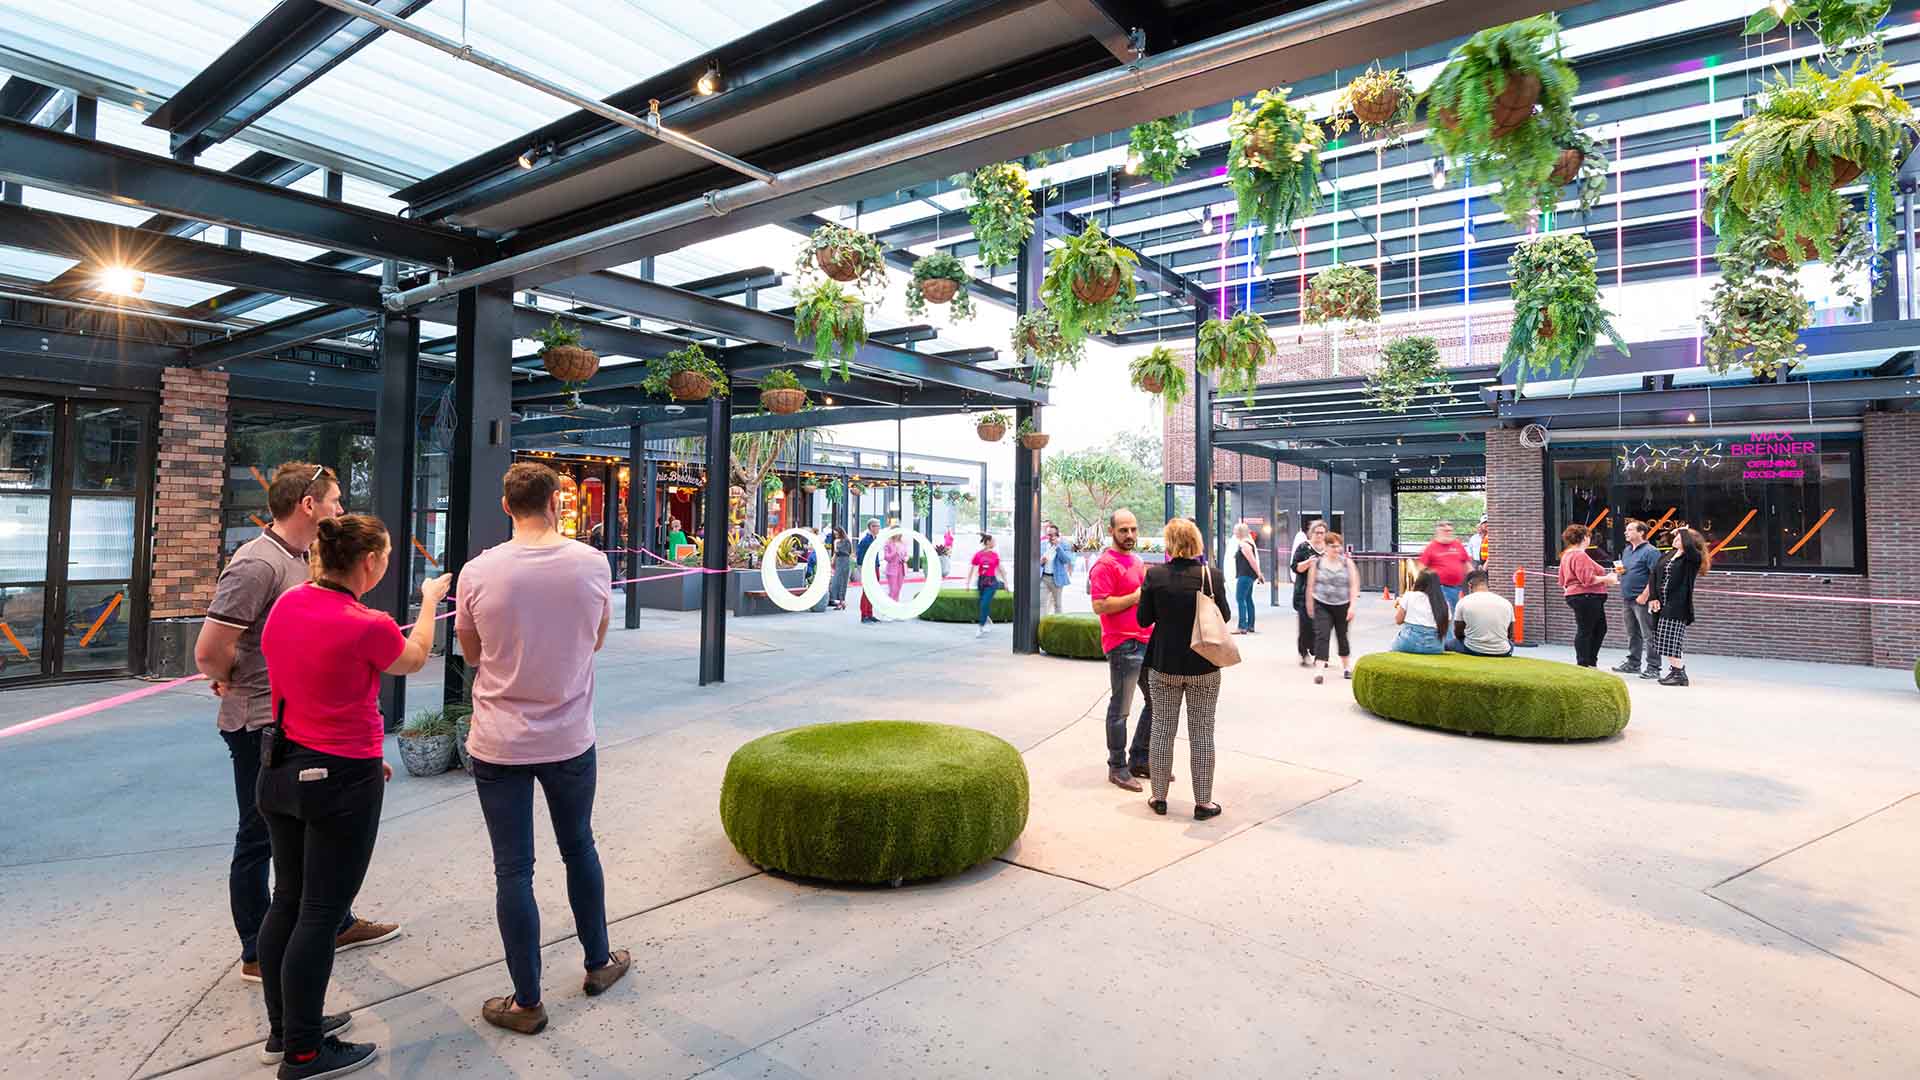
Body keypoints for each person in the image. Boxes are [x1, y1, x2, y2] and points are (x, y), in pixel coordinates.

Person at [256, 515, 450, 1077]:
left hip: (282, 769)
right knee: (320, 913)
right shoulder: (365, 623)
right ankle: (305, 1053)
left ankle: (286, 1029)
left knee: (288, 900)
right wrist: (430, 600)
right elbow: (412, 660)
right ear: (369, 563)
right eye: (385, 556)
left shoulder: (288, 605)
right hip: (341, 780)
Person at [195, 462, 399, 986]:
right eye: (335, 500)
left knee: (311, 838)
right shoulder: (256, 565)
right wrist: (230, 679)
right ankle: (256, 949)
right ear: (308, 505)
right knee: (259, 836)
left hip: (300, 722)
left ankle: (334, 922)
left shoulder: (305, 560)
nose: (340, 510)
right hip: (262, 722)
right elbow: (209, 650)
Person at [454, 464, 630, 1036]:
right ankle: (598, 962)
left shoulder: (478, 572)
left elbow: (473, 654)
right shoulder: (592, 563)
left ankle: (527, 1002)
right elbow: (597, 638)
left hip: (499, 742)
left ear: (507, 507)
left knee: (514, 870)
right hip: (569, 737)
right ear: (557, 501)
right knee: (579, 847)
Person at [1135, 518, 1230, 821]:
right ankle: (1203, 803)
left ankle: (1159, 798)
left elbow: (1143, 620)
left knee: (1162, 729)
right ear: (1197, 542)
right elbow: (1224, 617)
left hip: (1163, 664)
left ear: (1169, 543)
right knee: (1202, 732)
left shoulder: (1155, 576)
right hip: (1204, 664)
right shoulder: (1210, 576)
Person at [1088, 509, 1154, 791]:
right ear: (1112, 531)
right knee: (1121, 710)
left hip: (1147, 641)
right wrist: (1136, 596)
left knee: (1158, 703)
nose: (1129, 535)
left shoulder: (1137, 561)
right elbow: (1100, 605)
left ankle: (1139, 758)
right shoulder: (1104, 565)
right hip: (1122, 644)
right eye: (1124, 530)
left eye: (1133, 529)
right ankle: (1117, 767)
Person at [1646, 525, 1708, 686]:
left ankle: (1679, 673)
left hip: (1677, 605)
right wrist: (1653, 597)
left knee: (1670, 639)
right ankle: (1676, 670)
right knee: (1662, 638)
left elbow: (1689, 545)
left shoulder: (1692, 558)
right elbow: (1654, 575)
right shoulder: (1669, 555)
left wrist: (1683, 531)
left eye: (1679, 538)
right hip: (1661, 603)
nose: (1675, 539)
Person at [1557, 523, 1618, 668]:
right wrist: (1607, 579)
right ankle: (1585, 663)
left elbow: (1562, 580)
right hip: (1587, 596)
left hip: (1580, 596)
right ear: (1585, 538)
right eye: (1589, 536)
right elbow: (1587, 579)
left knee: (1595, 628)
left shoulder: (1567, 554)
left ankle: (1588, 661)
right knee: (1588, 630)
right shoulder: (1579, 555)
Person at [1305, 531, 1358, 683]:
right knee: (1322, 635)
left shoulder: (1347, 563)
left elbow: (1354, 585)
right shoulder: (1318, 563)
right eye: (1333, 546)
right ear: (1326, 546)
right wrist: (1310, 605)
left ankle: (1347, 667)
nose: (1337, 549)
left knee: (1342, 635)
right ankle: (1319, 670)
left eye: (1338, 546)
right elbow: (1311, 585)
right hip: (1322, 604)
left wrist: (1352, 606)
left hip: (1343, 604)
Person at [1612, 519, 1662, 677]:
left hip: (1642, 599)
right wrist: (1620, 571)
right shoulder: (1627, 550)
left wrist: (1645, 595)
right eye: (1626, 530)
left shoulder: (1651, 551)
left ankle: (1654, 668)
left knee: (1649, 634)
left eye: (1630, 529)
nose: (1626, 532)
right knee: (1632, 633)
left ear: (1641, 532)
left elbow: (1656, 576)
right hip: (1627, 599)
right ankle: (1633, 663)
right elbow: (1624, 570)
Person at [1447, 570, 1515, 656]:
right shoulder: (1506, 603)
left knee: (1448, 644)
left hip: (1473, 648)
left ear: (1469, 585)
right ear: (1487, 584)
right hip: (1502, 650)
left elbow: (1458, 633)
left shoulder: (1463, 602)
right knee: (1510, 644)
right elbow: (1511, 633)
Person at [1289, 521, 1327, 667]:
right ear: (1311, 533)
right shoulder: (1303, 547)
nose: (1319, 535)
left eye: (1322, 533)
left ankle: (1319, 654)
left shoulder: (1328, 549)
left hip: (1323, 594)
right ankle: (1304, 653)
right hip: (1304, 593)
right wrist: (1308, 563)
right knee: (1306, 625)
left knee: (1322, 626)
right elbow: (1295, 567)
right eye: (1316, 532)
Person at [1390, 569, 1449, 654]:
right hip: (1434, 646)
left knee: (1393, 645)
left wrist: (1401, 607)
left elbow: (1398, 620)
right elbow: (1446, 626)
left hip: (1408, 642)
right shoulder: (1443, 602)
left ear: (1418, 582)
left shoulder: (1409, 596)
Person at [1418, 521, 1472, 612]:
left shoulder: (1457, 545)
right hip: (1440, 589)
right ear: (1438, 532)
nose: (1448, 533)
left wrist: (1475, 581)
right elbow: (1421, 569)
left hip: (1459, 589)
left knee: (1458, 615)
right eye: (1445, 530)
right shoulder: (1431, 547)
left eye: (1450, 531)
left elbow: (1467, 566)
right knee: (1446, 616)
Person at [1231, 522, 1265, 635]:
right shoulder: (1248, 543)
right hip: (1249, 575)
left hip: (1245, 575)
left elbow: (1252, 560)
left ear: (1240, 532)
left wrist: (1259, 573)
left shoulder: (1244, 544)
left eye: (1235, 530)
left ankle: (1242, 626)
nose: (1234, 532)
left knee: (1240, 598)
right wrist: (1258, 574)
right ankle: (1250, 625)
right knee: (1248, 599)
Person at [966, 532, 1001, 637]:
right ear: (988, 542)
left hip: (992, 582)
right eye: (993, 541)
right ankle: (987, 620)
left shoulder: (995, 555)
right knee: (982, 604)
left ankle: (980, 626)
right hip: (981, 581)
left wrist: (1005, 582)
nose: (994, 543)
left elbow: (1000, 569)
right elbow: (972, 569)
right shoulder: (978, 554)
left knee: (984, 603)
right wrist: (967, 582)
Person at [1039, 521, 1073, 616]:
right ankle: (1043, 624)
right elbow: (1034, 560)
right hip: (1044, 578)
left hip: (1056, 578)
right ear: (1047, 534)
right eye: (1050, 535)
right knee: (1041, 604)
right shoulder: (1042, 544)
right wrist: (1040, 562)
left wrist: (1058, 547)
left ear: (1057, 534)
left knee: (1057, 604)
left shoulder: (1064, 544)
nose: (1052, 537)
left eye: (1054, 534)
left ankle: (1057, 624)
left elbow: (1066, 560)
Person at [854, 519, 881, 625]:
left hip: (875, 566)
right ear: (871, 527)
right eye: (876, 526)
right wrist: (862, 569)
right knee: (867, 592)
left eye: (879, 526)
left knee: (873, 592)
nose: (878, 528)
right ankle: (864, 615)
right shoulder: (866, 540)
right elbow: (859, 556)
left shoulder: (875, 538)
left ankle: (869, 614)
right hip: (868, 568)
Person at [826, 526, 852, 610]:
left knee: (843, 581)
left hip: (845, 560)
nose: (836, 535)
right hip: (839, 560)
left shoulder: (846, 541)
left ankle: (842, 601)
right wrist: (832, 560)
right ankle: (840, 601)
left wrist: (837, 553)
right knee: (836, 581)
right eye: (835, 533)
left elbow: (849, 552)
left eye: (837, 533)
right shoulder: (836, 541)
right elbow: (835, 552)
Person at [882, 531, 908, 607]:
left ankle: (896, 607)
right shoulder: (888, 543)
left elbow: (906, 554)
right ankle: (889, 607)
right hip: (892, 569)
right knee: (892, 590)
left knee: (898, 590)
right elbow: (886, 557)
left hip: (901, 568)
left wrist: (905, 559)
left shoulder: (903, 543)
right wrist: (895, 552)